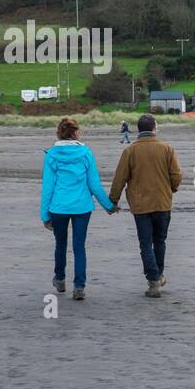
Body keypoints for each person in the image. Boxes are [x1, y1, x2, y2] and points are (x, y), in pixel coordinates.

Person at [40, 117, 117, 301]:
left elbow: (47, 188)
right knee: (79, 246)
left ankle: (59, 279)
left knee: (60, 244)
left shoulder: (51, 155)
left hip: (58, 207)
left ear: (59, 133)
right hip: (82, 207)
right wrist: (109, 205)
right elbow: (94, 184)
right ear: (76, 133)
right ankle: (79, 286)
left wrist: (44, 215)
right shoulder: (86, 153)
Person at [109, 113, 183, 298]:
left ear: (139, 130)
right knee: (159, 241)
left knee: (146, 244)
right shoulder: (167, 148)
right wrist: (171, 188)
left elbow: (120, 178)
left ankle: (154, 280)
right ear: (153, 129)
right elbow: (176, 175)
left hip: (141, 205)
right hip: (163, 202)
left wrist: (113, 200)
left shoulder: (130, 151)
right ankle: (157, 276)